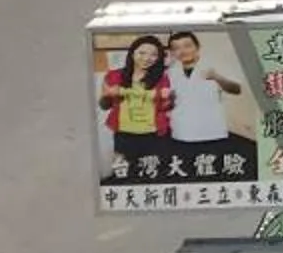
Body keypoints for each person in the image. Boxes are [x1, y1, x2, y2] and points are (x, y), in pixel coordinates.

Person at [164, 30, 244, 179]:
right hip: (182, 133)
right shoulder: (170, 73)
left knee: (214, 176)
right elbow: (168, 106)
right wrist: (169, 101)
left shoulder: (214, 65)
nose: (182, 51)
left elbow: (236, 89)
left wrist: (216, 77)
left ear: (197, 46)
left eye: (187, 45)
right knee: (187, 175)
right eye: (176, 48)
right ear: (172, 52)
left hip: (212, 133)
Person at [100, 35, 171, 181]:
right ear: (132, 53)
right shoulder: (114, 76)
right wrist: (107, 95)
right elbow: (104, 106)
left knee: (153, 175)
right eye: (142, 53)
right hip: (124, 135)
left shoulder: (162, 77)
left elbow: (165, 107)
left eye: (153, 55)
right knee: (124, 174)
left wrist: (168, 99)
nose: (147, 58)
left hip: (154, 136)